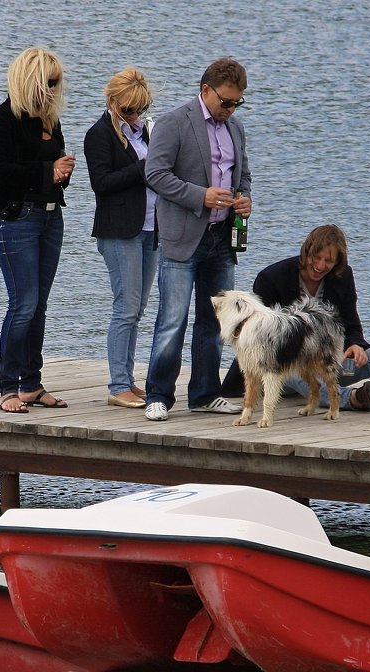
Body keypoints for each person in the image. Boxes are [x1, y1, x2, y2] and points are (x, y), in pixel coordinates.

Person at [220, 224, 370, 411]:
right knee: (301, 372)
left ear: (337, 262)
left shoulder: (343, 277)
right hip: (282, 368)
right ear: (306, 252)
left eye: (329, 261)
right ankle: (354, 398)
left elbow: (351, 321)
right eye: (316, 257)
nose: (320, 265)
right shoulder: (272, 277)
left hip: (331, 360)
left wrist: (355, 344)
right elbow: (254, 334)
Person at [141, 58, 252, 422]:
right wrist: (199, 196)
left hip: (221, 239)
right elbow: (155, 173)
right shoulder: (175, 122)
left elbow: (243, 175)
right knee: (172, 320)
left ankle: (205, 393)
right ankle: (158, 395)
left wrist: (244, 200)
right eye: (226, 102)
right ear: (205, 90)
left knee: (215, 322)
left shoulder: (235, 129)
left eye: (237, 103)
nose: (231, 109)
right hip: (182, 238)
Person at [0, 46, 76, 414]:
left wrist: (63, 171)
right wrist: (48, 172)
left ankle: (31, 384)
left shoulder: (49, 119)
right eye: (48, 82)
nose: (53, 89)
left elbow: (58, 160)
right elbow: (1, 172)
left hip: (51, 215)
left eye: (57, 83)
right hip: (16, 217)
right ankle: (7, 388)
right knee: (22, 304)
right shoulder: (2, 119)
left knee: (39, 305)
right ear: (30, 81)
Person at [84, 67, 157, 409]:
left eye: (139, 109)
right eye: (128, 109)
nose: (134, 115)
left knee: (138, 308)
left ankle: (128, 378)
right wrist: (143, 168)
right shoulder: (98, 135)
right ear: (113, 102)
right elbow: (101, 183)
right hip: (119, 231)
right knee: (125, 307)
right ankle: (117, 385)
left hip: (150, 228)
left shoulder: (146, 132)